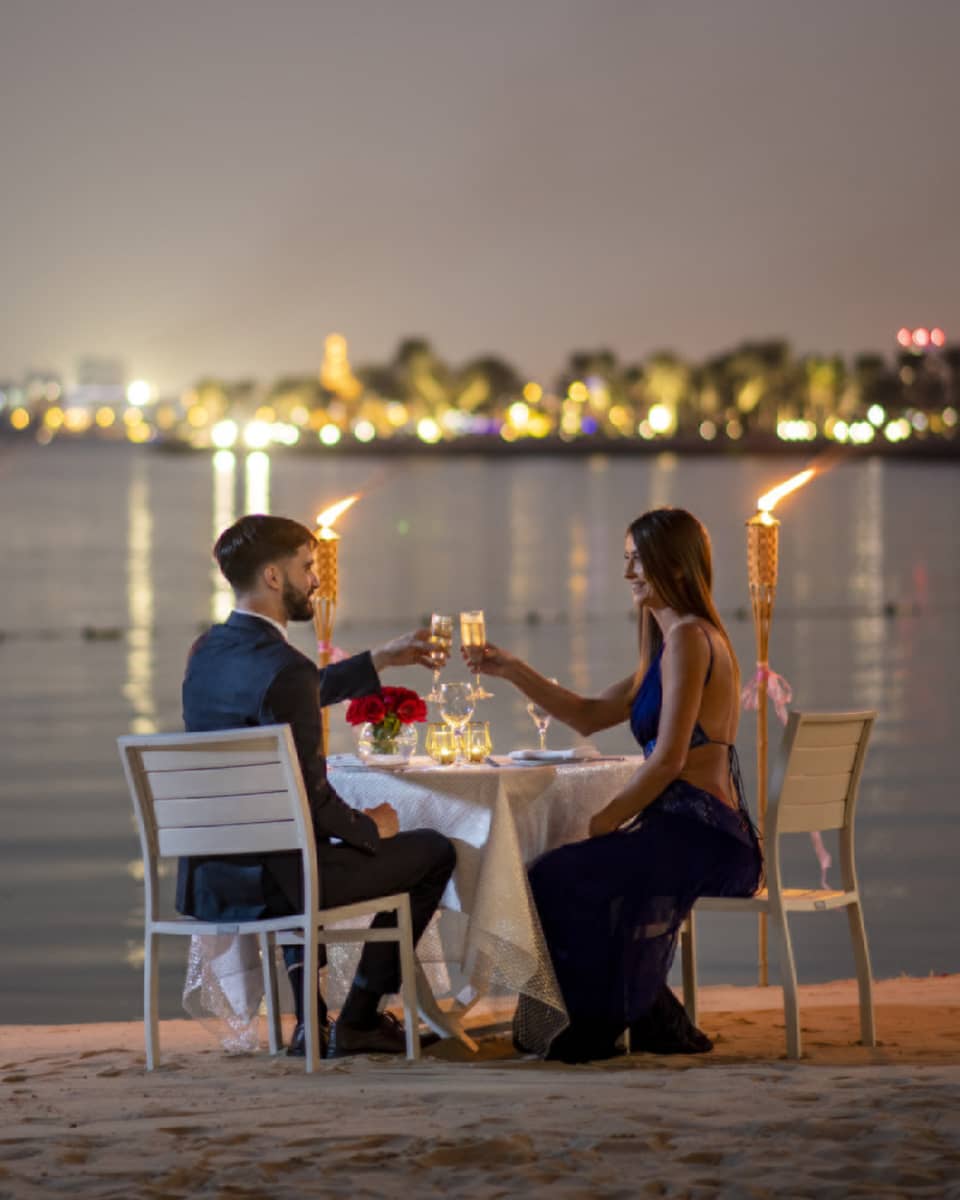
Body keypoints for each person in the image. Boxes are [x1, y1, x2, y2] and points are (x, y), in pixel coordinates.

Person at [468, 507, 763, 1062]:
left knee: (556, 877)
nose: (629, 574)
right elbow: (586, 714)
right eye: (626, 560)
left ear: (673, 566)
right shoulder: (667, 642)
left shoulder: (692, 640)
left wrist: (606, 820)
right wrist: (512, 670)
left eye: (638, 561)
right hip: (675, 826)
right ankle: (647, 1015)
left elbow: (671, 757)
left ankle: (604, 1022)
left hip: (704, 831)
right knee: (567, 876)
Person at [178, 513, 457, 1058]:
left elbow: (289, 694)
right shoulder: (285, 667)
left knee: (307, 844)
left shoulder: (206, 653)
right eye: (307, 567)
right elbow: (311, 796)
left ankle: (316, 1020)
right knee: (433, 851)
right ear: (274, 577)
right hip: (277, 882)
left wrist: (379, 658)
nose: (317, 580)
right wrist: (370, 828)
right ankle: (356, 1018)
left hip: (212, 879)